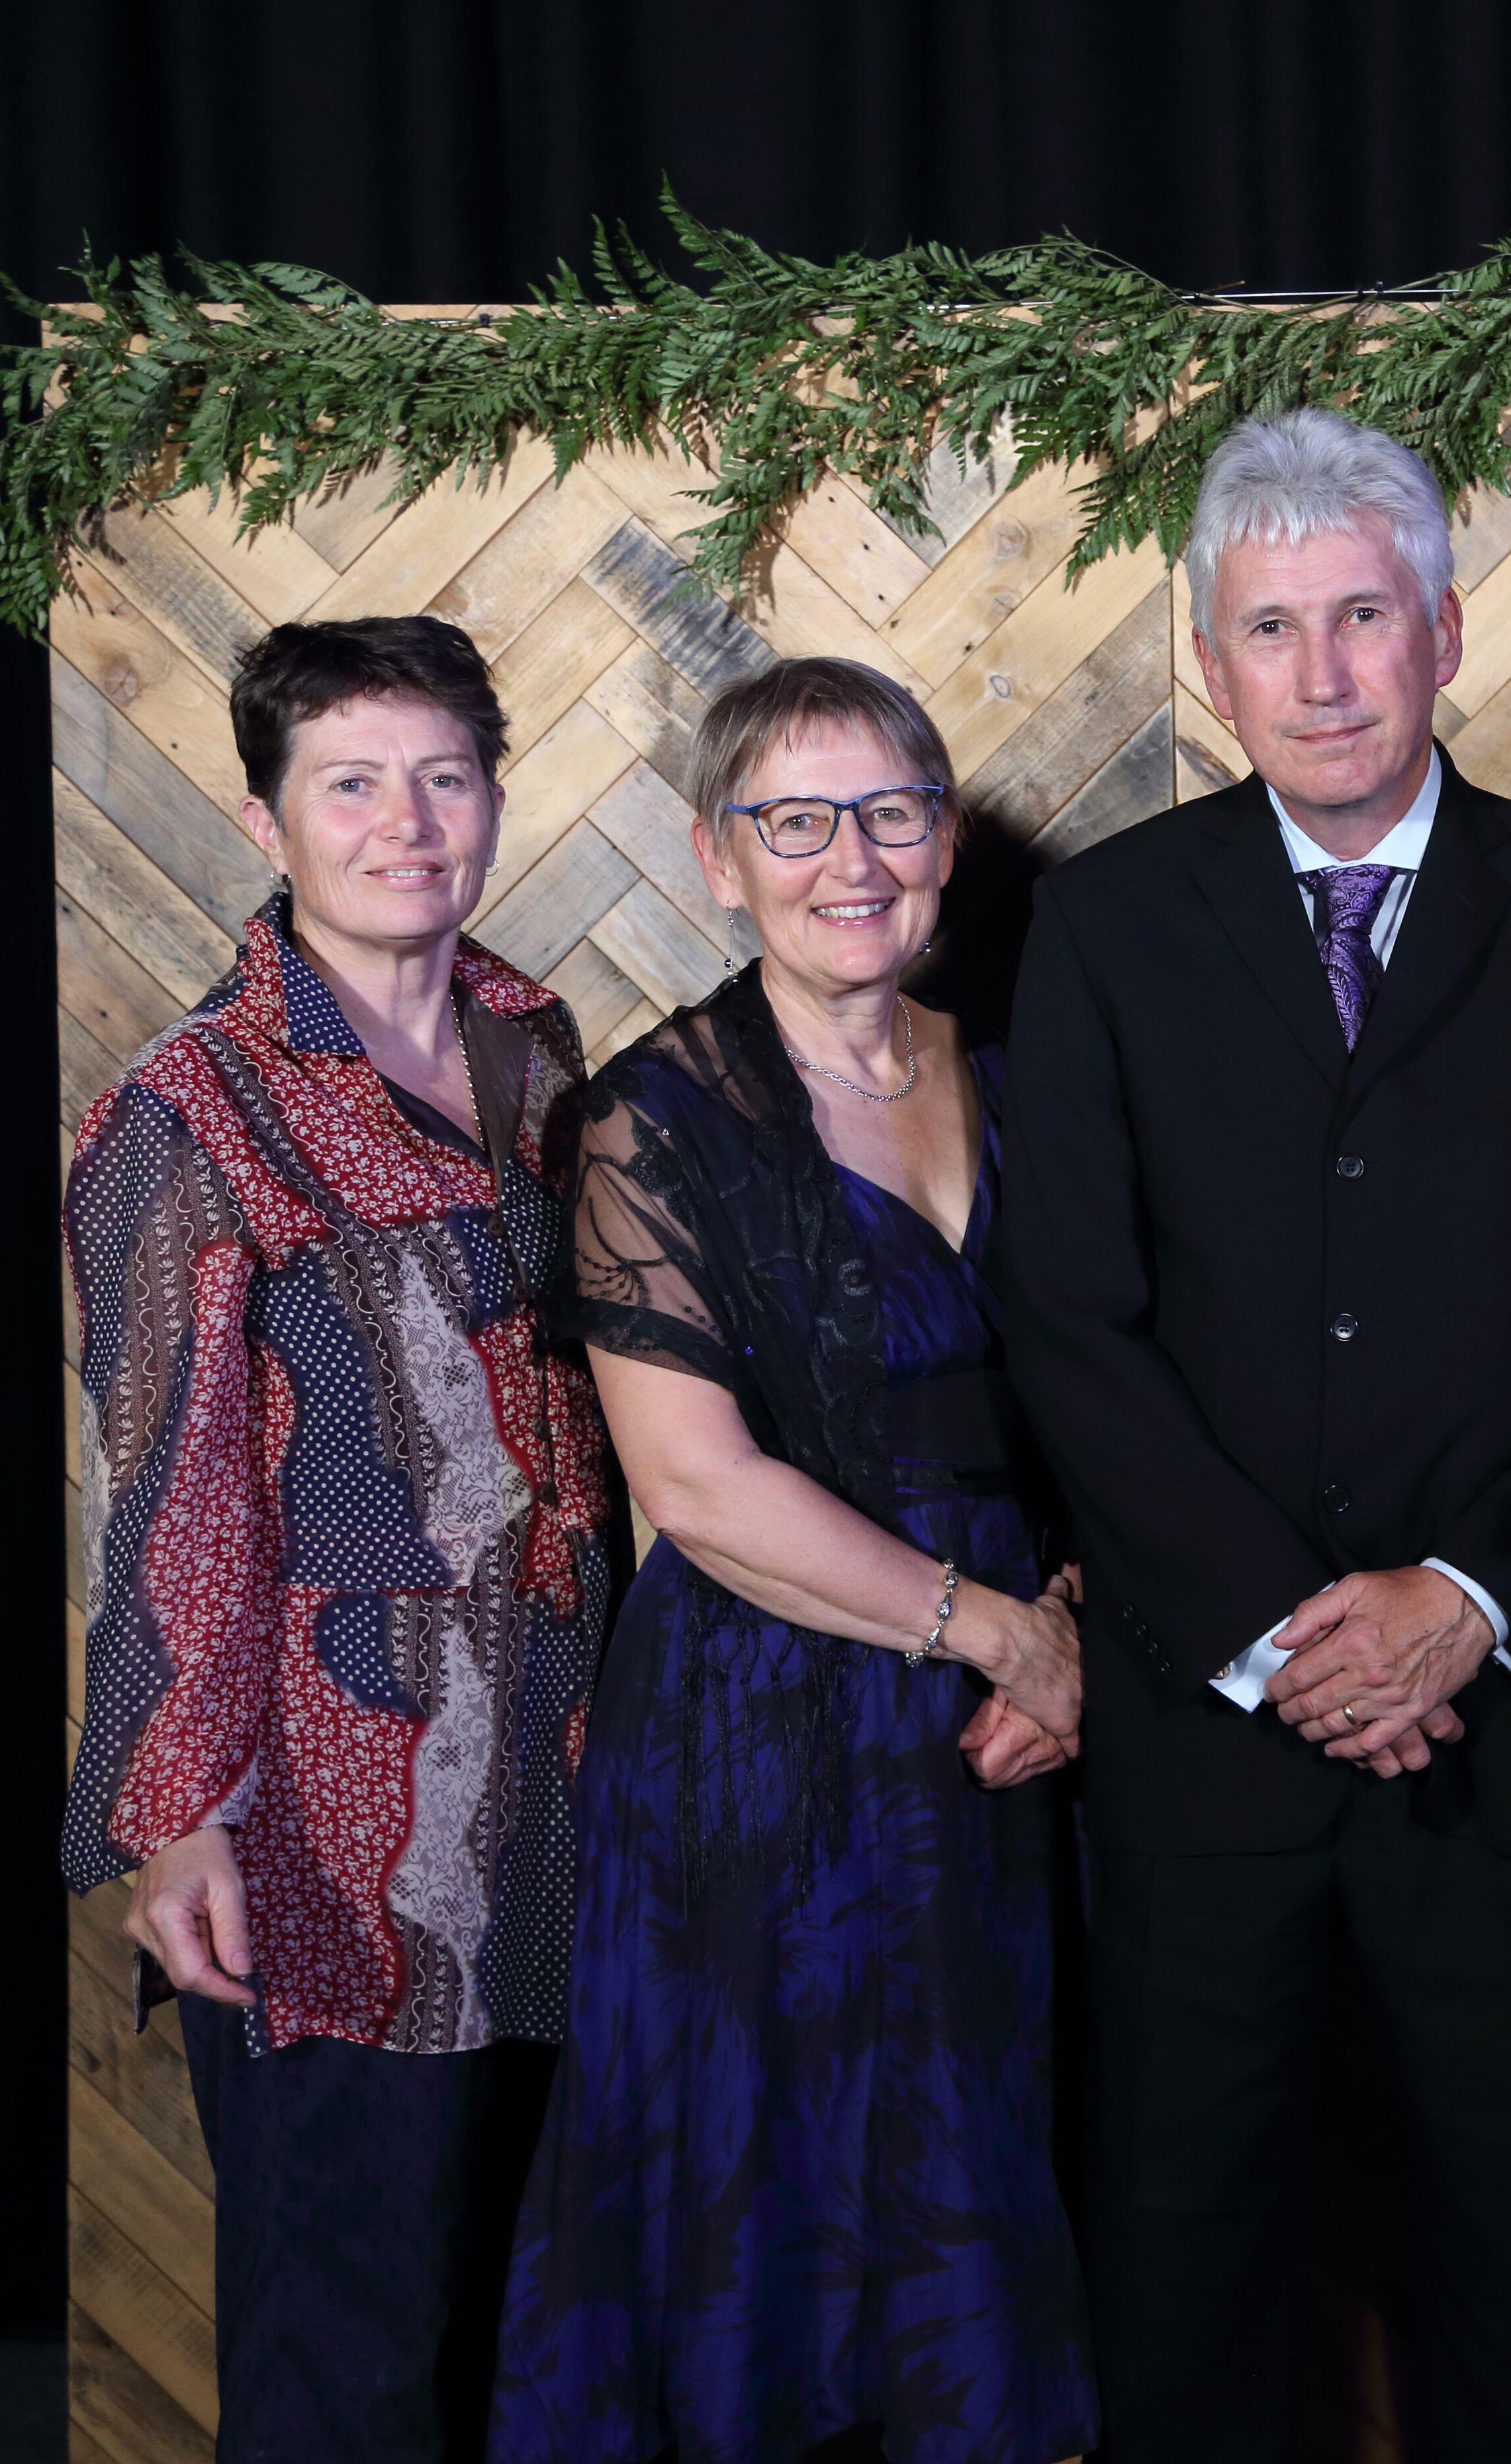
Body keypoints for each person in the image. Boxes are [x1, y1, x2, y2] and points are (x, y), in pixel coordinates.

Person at [991, 406, 1511, 2462]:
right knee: (1189, 2280)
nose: (1319, 674)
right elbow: (1071, 1319)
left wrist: (1472, 1598)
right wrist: (1289, 1635)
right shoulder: (1108, 928)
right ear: (1211, 664)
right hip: (1211, 1737)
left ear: (1448, 630)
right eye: (1271, 627)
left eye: (1362, 618)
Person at [492, 658, 1095, 2464]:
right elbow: (698, 1490)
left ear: (946, 844)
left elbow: (1094, 1401)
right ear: (716, 859)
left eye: (894, 815)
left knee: (964, 2192)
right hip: (758, 1744)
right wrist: (1000, 1632)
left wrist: (1065, 1627)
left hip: (995, 1743)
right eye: (796, 821)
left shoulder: (1012, 1083)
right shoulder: (651, 1119)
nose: (854, 860)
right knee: (766, 2224)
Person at [60, 616, 619, 2463]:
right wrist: (176, 1818)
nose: (408, 823)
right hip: (334, 1817)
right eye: (353, 783)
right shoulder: (186, 1110)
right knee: (347, 2350)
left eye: (444, 777)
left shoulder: (539, 1045)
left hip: (563, 1786)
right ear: (264, 816)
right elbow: (167, 1492)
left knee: (523, 2329)